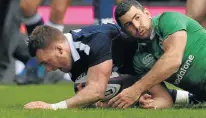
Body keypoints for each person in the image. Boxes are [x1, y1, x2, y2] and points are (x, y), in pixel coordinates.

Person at [23, 24, 192, 110]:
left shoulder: (93, 40)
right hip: (136, 73)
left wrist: (53, 107)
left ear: (59, 49)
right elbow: (97, 98)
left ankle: (192, 95)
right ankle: (191, 98)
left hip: (162, 58)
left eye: (47, 62)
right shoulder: (70, 59)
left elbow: (96, 91)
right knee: (88, 91)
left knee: (96, 89)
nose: (48, 69)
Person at [109, 0, 206, 109]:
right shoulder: (139, 61)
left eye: (137, 17)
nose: (136, 26)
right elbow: (165, 100)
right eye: (129, 24)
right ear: (125, 31)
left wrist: (135, 90)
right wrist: (149, 104)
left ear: (146, 13)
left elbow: (173, 60)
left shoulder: (168, 19)